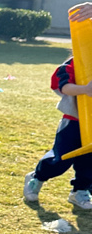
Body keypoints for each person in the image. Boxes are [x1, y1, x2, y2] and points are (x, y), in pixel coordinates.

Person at [23, 20, 92, 210]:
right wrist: (85, 89)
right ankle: (37, 177)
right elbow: (63, 86)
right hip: (74, 122)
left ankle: (80, 191)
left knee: (89, 161)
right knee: (60, 159)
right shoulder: (75, 63)